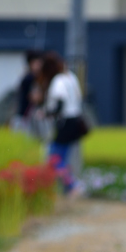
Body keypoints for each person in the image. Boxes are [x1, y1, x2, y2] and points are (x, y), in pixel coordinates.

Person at [39, 51, 86, 196]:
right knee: (64, 157)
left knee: (54, 158)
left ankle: (73, 185)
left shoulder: (58, 80)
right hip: (76, 120)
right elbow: (79, 97)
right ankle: (68, 188)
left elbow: (60, 102)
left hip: (65, 122)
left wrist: (47, 113)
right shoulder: (71, 77)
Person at [13, 50, 43, 135]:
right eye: (37, 63)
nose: (40, 65)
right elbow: (34, 97)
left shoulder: (30, 77)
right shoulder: (29, 78)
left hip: (27, 117)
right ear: (31, 63)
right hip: (24, 118)